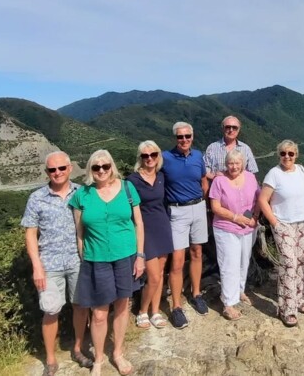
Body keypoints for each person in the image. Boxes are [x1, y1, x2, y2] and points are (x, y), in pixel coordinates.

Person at [69, 150, 145, 376]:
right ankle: (99, 359)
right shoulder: (82, 195)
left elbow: (138, 224)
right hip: (96, 259)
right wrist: (84, 257)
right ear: (90, 170)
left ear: (112, 166)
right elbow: (79, 232)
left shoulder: (128, 189)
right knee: (100, 313)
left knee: (122, 306)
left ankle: (118, 353)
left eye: (105, 166)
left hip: (126, 256)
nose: (101, 170)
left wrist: (140, 256)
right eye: (96, 167)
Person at [21, 151, 93, 376]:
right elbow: (31, 234)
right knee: (51, 310)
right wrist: (37, 266)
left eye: (62, 168)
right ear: (47, 172)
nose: (57, 173)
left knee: (81, 306)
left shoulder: (82, 193)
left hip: (78, 259)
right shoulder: (37, 198)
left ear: (70, 168)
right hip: (49, 263)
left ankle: (78, 348)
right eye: (52, 170)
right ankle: (51, 360)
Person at [257, 140, 304, 327]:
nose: (287, 156)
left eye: (290, 153)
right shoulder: (274, 174)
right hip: (283, 223)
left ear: (296, 155)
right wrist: (275, 223)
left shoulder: (302, 170)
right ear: (278, 155)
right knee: (289, 263)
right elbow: (262, 200)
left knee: (303, 261)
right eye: (283, 153)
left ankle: (300, 298)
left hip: (302, 223)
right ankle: (286, 308)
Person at [161, 121, 210, 328]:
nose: (184, 140)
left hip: (198, 207)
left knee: (198, 252)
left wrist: (203, 201)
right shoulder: (165, 158)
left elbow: (203, 180)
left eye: (187, 136)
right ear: (175, 138)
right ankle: (176, 306)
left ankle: (196, 293)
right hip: (177, 210)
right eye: (180, 137)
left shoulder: (198, 156)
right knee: (178, 260)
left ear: (192, 136)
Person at [125, 141, 173, 330]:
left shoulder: (162, 176)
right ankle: (142, 311)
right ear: (140, 158)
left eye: (153, 154)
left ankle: (155, 311)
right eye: (145, 156)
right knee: (153, 276)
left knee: (160, 273)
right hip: (145, 231)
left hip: (162, 227)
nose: (150, 158)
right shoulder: (132, 181)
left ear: (158, 156)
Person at [208, 149, 260, 320]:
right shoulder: (219, 181)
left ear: (243, 164)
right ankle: (228, 303)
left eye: (237, 163)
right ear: (226, 164)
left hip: (248, 227)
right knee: (229, 264)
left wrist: (255, 217)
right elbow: (215, 207)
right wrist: (235, 217)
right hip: (226, 227)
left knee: (244, 260)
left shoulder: (251, 178)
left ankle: (239, 290)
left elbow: (259, 199)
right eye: (230, 163)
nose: (234, 166)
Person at [203, 115, 259, 179]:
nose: (231, 130)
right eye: (228, 127)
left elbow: (252, 172)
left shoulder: (246, 149)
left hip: (240, 187)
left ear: (238, 130)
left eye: (234, 127)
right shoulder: (212, 148)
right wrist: (215, 177)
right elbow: (204, 168)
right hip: (218, 187)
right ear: (223, 128)